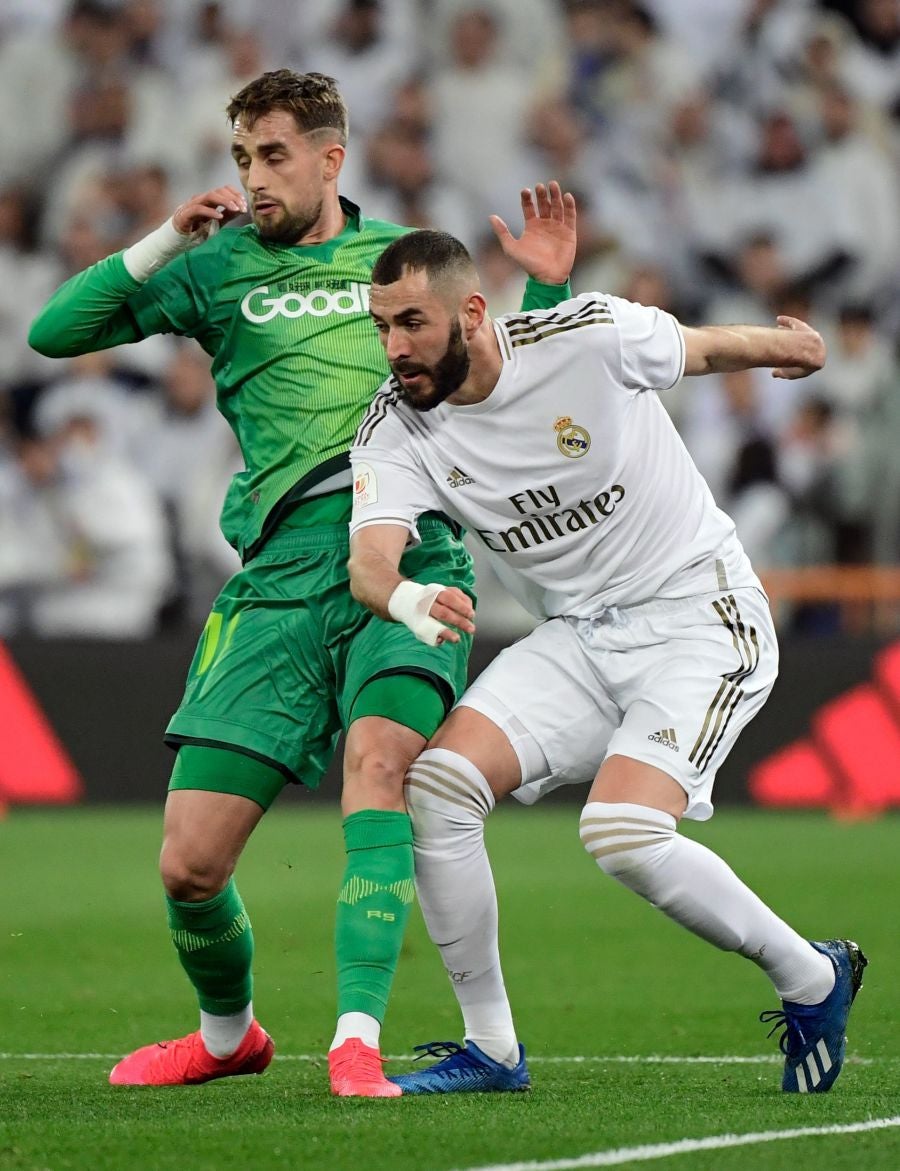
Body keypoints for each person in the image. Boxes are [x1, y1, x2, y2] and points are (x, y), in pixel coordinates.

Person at [28, 70, 577, 1096]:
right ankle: (230, 1034)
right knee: (189, 866)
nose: (254, 176)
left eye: (274, 154)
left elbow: (504, 377)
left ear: (332, 156)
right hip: (278, 576)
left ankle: (357, 1043)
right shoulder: (216, 267)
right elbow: (55, 331)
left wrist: (541, 289)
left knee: (381, 765)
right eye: (241, 156)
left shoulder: (399, 260)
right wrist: (164, 240)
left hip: (405, 552)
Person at [347, 229, 867, 1095]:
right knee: (438, 788)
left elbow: (697, 349)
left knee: (620, 833)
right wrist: (406, 598)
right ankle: (494, 1048)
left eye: (412, 321)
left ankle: (813, 978)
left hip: (702, 614)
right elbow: (371, 560)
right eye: (382, 326)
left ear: (472, 314)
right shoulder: (397, 424)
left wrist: (792, 344)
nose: (395, 346)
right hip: (582, 639)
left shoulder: (586, 336)